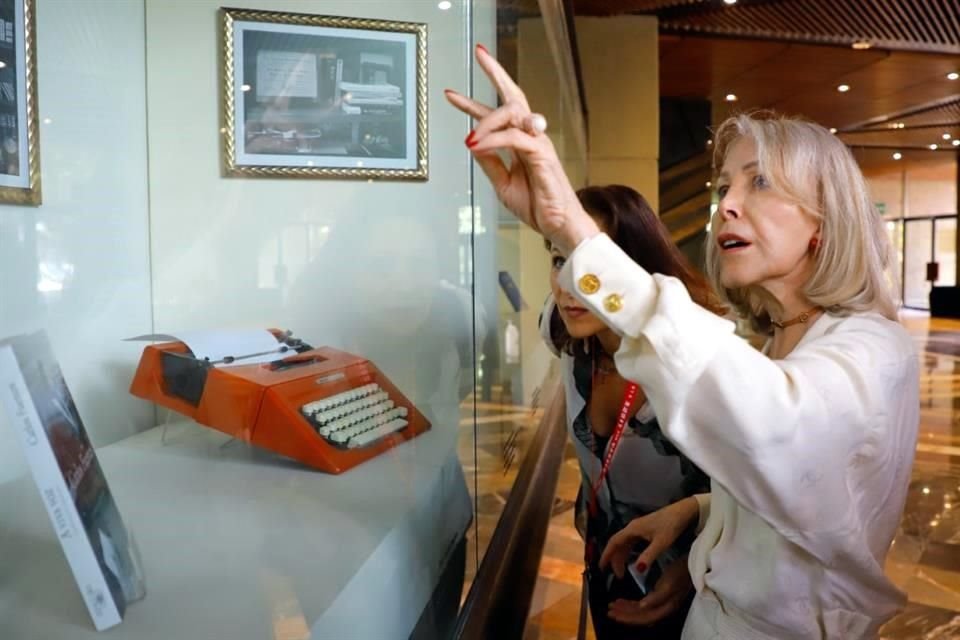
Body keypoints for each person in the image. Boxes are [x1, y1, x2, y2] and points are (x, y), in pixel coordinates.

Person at [446, 45, 919, 639]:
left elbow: (776, 432)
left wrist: (571, 222)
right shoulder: (788, 341)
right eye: (724, 186)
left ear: (824, 222)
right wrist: (697, 514)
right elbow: (798, 502)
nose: (727, 206)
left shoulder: (874, 350)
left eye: (761, 183)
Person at [541, 184, 718, 638]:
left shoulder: (696, 361)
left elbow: (759, 497)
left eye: (594, 264)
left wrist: (692, 569)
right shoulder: (566, 331)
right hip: (608, 564)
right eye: (560, 260)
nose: (568, 284)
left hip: (696, 582)